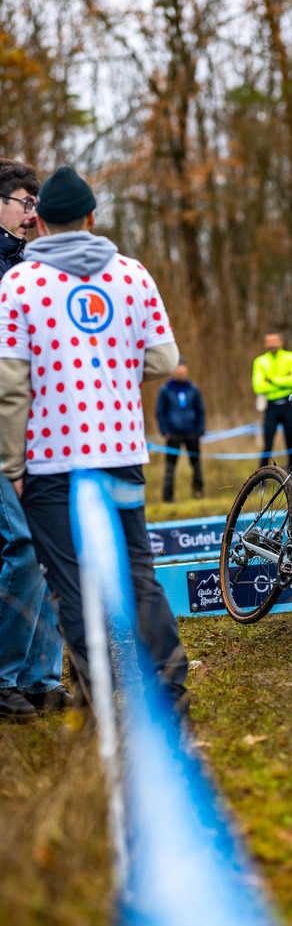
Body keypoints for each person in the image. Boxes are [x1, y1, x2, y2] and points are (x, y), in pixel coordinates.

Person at [0, 165, 189, 714]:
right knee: (138, 574)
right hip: (121, 449)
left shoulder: (21, 283)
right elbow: (165, 360)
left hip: (50, 458)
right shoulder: (132, 274)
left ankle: (95, 691)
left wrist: (12, 465)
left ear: (42, 222)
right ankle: (170, 685)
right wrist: (111, 365)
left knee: (69, 582)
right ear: (90, 217)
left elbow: (11, 386)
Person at [0, 159, 69, 721]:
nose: (32, 213)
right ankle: (3, 677)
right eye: (24, 202)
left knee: (47, 544)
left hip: (39, 423)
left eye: (35, 204)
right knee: (22, 544)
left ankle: (39, 678)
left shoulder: (28, 263)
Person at [156, 356, 205, 502]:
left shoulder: (193, 389)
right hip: (173, 434)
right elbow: (160, 412)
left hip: (192, 433)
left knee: (196, 464)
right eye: (177, 367)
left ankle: (198, 490)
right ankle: (168, 495)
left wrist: (200, 430)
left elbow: (200, 411)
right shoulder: (165, 390)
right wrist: (164, 431)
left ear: (186, 369)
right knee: (170, 466)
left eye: (182, 367)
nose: (180, 370)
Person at [252, 331, 292, 471]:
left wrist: (271, 380)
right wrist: (284, 381)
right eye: (269, 341)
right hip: (270, 406)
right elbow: (258, 386)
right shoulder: (260, 361)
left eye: (274, 341)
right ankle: (261, 476)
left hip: (288, 404)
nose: (271, 344)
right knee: (267, 444)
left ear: (281, 342)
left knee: (290, 442)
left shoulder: (291, 357)